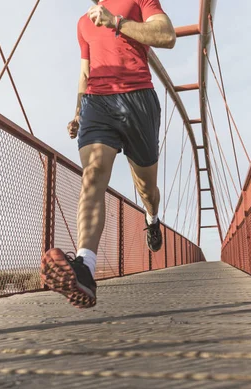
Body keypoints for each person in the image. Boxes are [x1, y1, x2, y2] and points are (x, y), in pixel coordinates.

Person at [40, 0, 176, 309]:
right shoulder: (82, 23)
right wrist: (77, 113)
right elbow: (85, 72)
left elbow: (167, 35)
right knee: (93, 173)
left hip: (138, 99)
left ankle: (152, 218)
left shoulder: (139, 1)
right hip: (97, 104)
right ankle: (85, 269)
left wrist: (116, 21)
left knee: (146, 189)